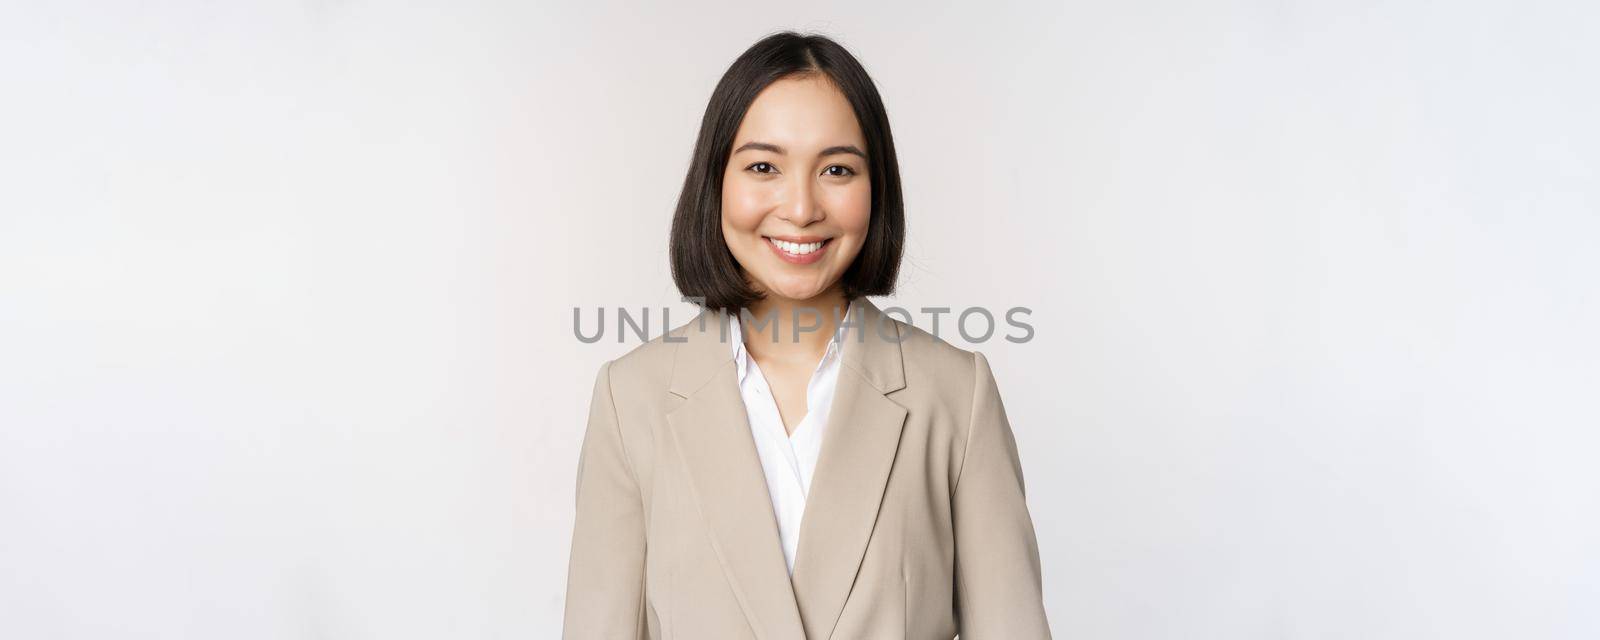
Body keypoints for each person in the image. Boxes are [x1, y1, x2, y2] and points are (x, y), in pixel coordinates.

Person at [563, 31, 1050, 639]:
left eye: (837, 169)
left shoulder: (955, 394)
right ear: (716, 181)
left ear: (877, 190)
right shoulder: (629, 397)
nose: (800, 207)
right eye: (764, 166)